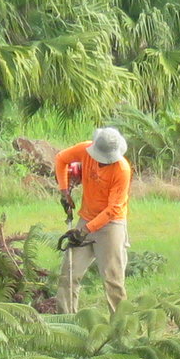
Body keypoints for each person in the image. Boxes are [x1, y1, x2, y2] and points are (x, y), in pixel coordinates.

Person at [53, 126, 130, 312]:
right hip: (86, 218)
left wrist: (85, 230)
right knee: (69, 274)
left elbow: (113, 209)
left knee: (113, 280)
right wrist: (64, 191)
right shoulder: (85, 150)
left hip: (111, 225)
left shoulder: (122, 170)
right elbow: (61, 159)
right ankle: (67, 321)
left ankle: (121, 323)